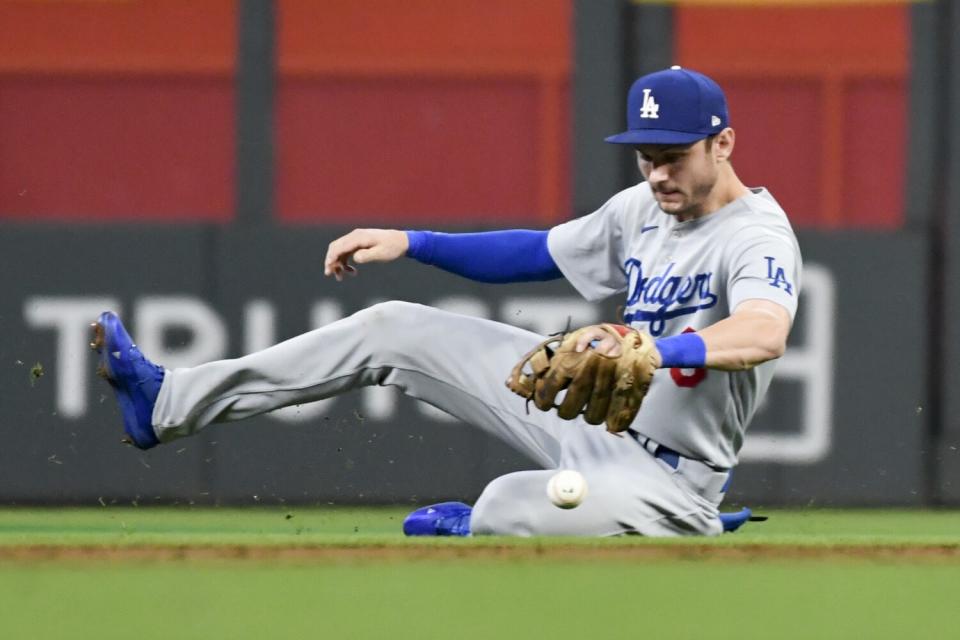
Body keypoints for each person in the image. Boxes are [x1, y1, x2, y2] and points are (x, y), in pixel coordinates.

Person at [93, 66, 801, 537]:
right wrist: (414, 240)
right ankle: (168, 402)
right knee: (391, 328)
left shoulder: (755, 234)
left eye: (674, 154)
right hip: (595, 429)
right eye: (645, 155)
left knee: (504, 504)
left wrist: (655, 348)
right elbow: (536, 253)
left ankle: (666, 525)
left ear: (724, 142)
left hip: (669, 478)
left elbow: (764, 332)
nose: (657, 172)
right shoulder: (640, 209)